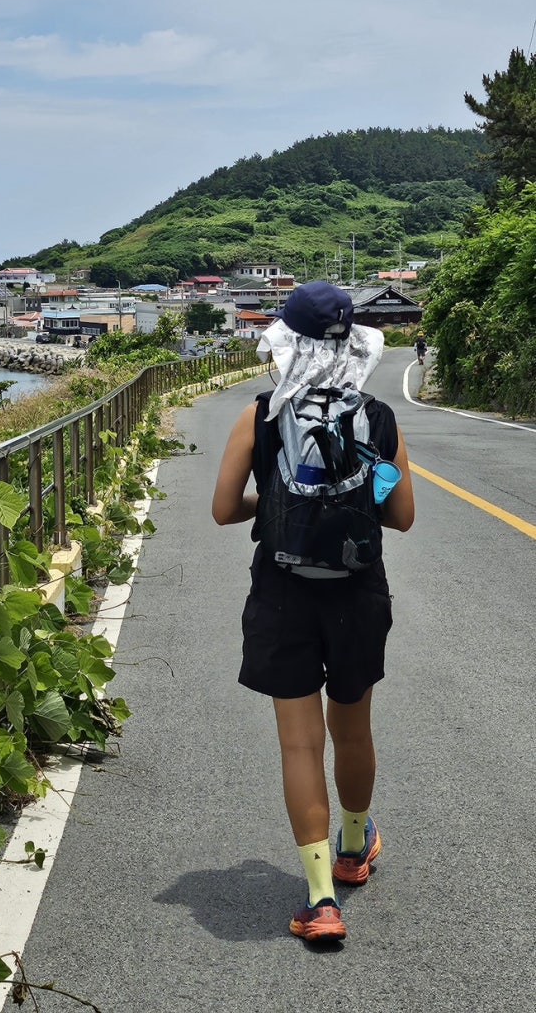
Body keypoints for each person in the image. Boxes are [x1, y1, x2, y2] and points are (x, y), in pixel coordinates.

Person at [212, 282, 414, 943]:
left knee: (299, 742)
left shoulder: (261, 415)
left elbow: (223, 509)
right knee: (352, 729)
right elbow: (401, 517)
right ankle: (355, 848)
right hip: (357, 590)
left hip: (283, 589)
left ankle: (320, 899)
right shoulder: (379, 418)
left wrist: (275, 500)